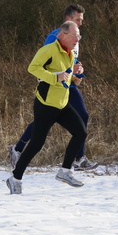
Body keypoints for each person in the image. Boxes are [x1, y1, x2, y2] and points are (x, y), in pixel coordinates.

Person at [9, 4, 97, 171]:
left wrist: (77, 70)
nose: (81, 23)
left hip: (67, 84)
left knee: (81, 116)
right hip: (54, 87)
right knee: (44, 122)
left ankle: (78, 158)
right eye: (78, 20)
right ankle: (18, 149)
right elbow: (41, 65)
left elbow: (69, 58)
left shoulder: (75, 37)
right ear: (68, 20)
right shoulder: (54, 38)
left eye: (82, 20)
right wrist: (56, 77)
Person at [6, 21, 87, 194]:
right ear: (63, 35)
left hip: (62, 103)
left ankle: (65, 171)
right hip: (46, 104)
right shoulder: (48, 50)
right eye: (75, 36)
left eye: (79, 36)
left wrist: (76, 77)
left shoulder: (70, 53)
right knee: (36, 144)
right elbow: (32, 68)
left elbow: (67, 74)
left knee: (81, 133)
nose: (77, 39)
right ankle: (15, 179)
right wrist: (54, 78)